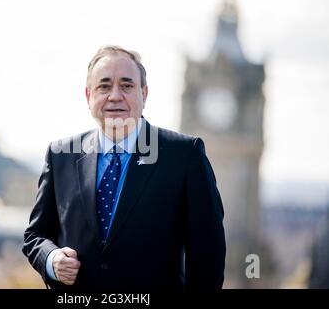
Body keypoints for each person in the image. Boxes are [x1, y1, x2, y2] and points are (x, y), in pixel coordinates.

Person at [22, 45, 226, 289]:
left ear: (144, 93)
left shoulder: (184, 156)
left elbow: (207, 256)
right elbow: (35, 236)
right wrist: (52, 260)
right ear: (89, 96)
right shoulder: (60, 156)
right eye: (104, 86)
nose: (115, 96)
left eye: (127, 85)